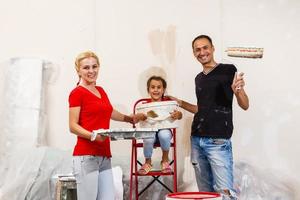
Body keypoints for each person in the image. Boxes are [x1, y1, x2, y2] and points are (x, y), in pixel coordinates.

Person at [170, 35, 249, 199]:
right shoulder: (198, 78)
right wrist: (179, 102)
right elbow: (202, 109)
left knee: (225, 194)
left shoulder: (228, 70)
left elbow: (245, 105)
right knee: (206, 195)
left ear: (212, 48)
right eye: (197, 49)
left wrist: (238, 91)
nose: (202, 52)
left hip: (218, 142)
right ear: (194, 53)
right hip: (197, 141)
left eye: (205, 47)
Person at [68, 51, 134, 200]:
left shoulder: (101, 91)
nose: (91, 71)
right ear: (78, 70)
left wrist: (129, 119)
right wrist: (93, 135)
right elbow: (72, 125)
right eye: (86, 68)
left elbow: (109, 112)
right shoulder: (77, 93)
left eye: (94, 66)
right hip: (86, 156)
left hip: (104, 155)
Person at [135, 76, 182, 175]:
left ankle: (165, 160)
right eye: (152, 87)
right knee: (148, 137)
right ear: (148, 90)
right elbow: (135, 118)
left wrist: (178, 115)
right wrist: (139, 116)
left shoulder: (168, 104)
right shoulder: (143, 105)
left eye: (159, 87)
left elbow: (179, 115)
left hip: (164, 133)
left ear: (163, 89)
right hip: (149, 132)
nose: (155, 90)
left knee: (164, 134)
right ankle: (148, 162)